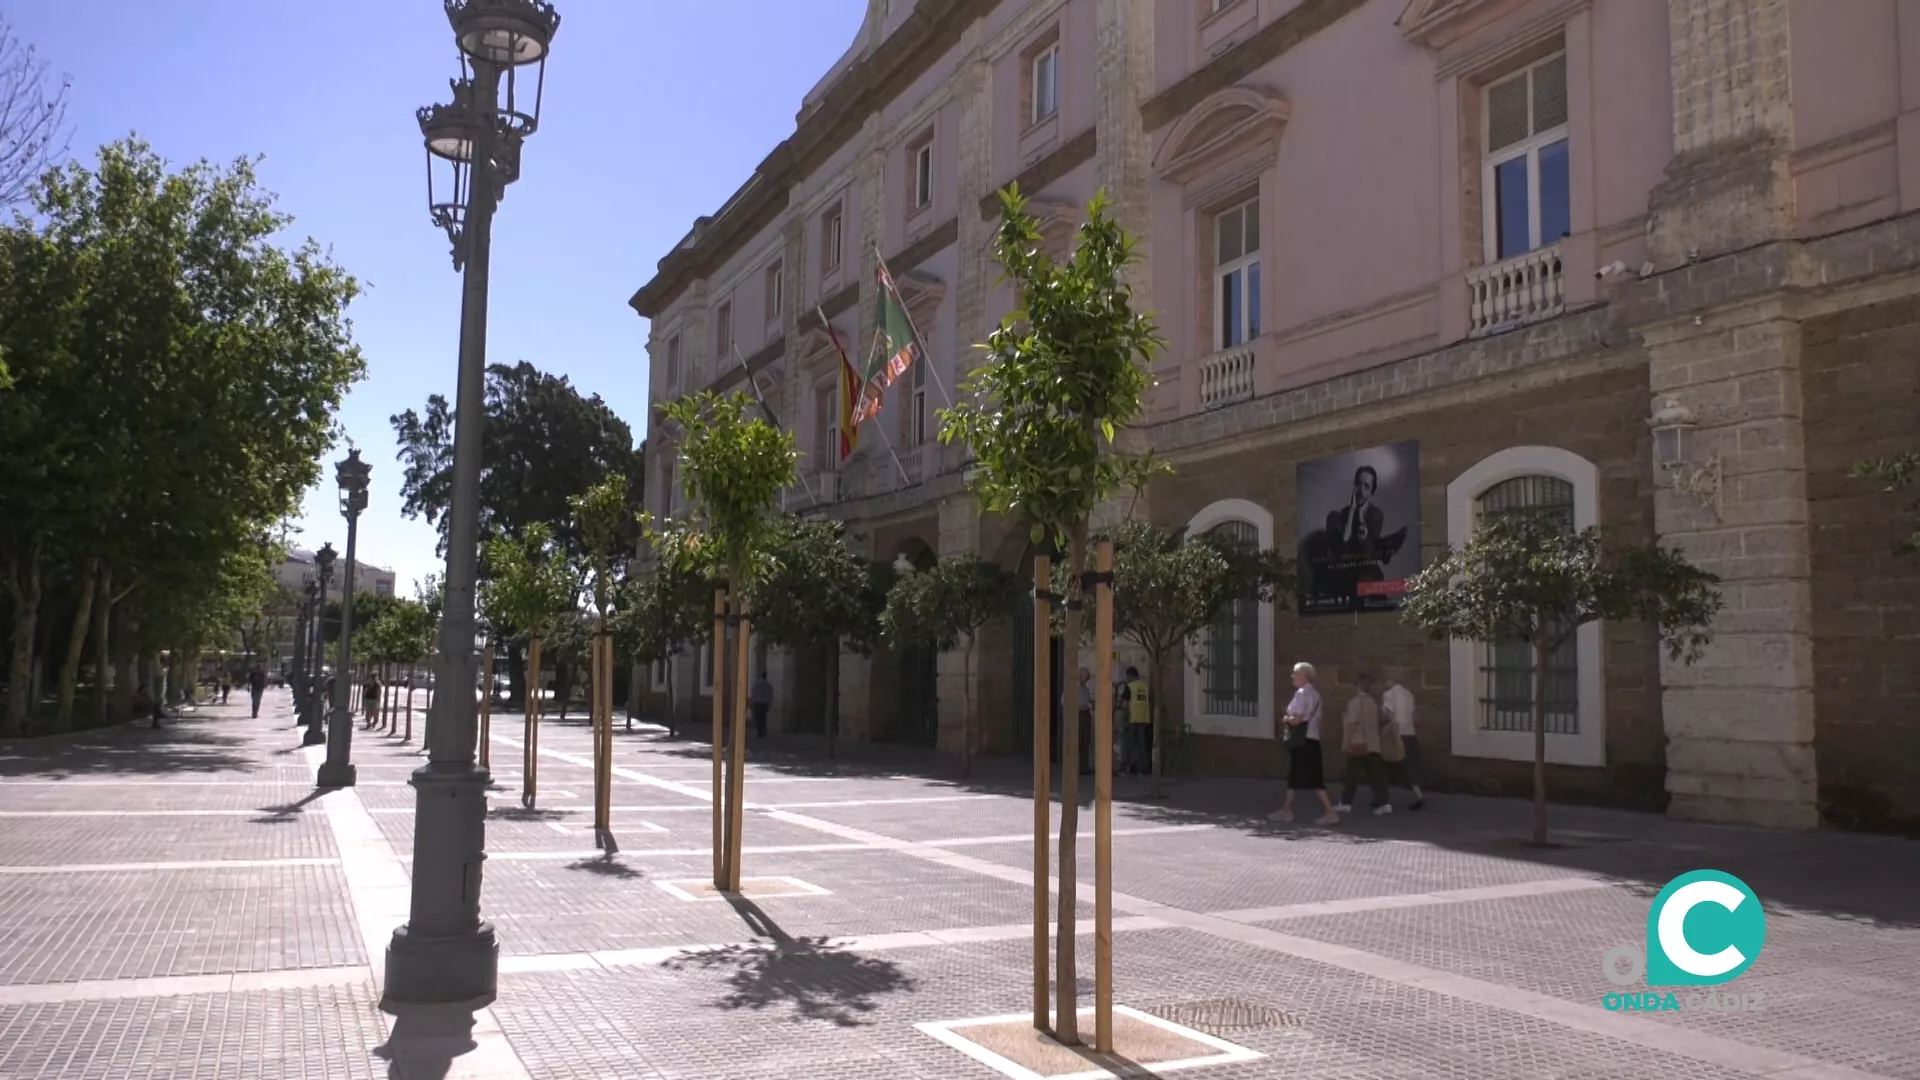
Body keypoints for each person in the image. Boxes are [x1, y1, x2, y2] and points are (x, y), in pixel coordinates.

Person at [1271, 662, 1338, 825]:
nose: (1292, 676)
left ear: (1304, 676)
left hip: (1301, 740)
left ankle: (1330, 812)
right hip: (1312, 739)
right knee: (1298, 776)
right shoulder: (1316, 695)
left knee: (1309, 777)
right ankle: (1287, 810)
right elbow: (1319, 721)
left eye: (1295, 673)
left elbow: (1297, 719)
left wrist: (1285, 719)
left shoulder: (1301, 694)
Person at [1336, 673, 1391, 816]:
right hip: (1373, 743)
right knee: (1377, 776)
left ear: (1356, 685)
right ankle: (1384, 803)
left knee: (1351, 776)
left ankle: (1346, 803)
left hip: (1358, 743)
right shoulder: (1373, 702)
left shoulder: (1355, 703)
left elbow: (1351, 724)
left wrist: (1345, 743)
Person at [1381, 668, 1424, 811]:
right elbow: (1414, 716)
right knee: (1412, 763)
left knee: (1389, 764)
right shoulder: (1409, 694)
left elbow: (1390, 715)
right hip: (1410, 731)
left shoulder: (1388, 695)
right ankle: (1418, 793)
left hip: (1397, 734)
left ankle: (1384, 798)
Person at [1120, 666, 1151, 776]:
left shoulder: (1129, 687)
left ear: (1130, 676)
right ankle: (1141, 769)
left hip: (1132, 718)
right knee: (1141, 745)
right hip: (1144, 719)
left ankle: (1125, 768)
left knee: (1128, 745)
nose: (1126, 678)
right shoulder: (1144, 687)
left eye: (1127, 676)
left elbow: (1124, 704)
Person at [1075, 668, 1094, 776]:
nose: (1086, 679)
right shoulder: (1074, 687)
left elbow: (1087, 699)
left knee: (1086, 741)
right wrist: (1081, 706)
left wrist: (1091, 703)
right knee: (1078, 741)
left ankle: (1084, 766)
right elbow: (1064, 701)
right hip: (1079, 714)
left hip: (1086, 715)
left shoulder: (1085, 688)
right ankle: (1077, 766)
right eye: (1084, 676)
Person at [749, 670, 773, 739]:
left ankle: (760, 731)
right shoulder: (769, 685)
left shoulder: (756, 684)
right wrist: (769, 704)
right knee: (763, 717)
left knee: (758, 718)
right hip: (764, 704)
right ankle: (762, 730)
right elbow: (770, 696)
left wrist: (751, 702)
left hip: (757, 703)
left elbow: (753, 693)